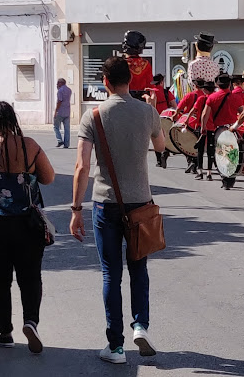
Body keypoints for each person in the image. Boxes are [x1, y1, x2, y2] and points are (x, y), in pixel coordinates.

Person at [70, 57, 165, 364]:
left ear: (105, 82)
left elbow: (82, 166)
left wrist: (75, 209)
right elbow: (162, 147)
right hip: (140, 203)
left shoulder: (92, 116)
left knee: (111, 274)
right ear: (131, 81)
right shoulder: (148, 112)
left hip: (104, 203)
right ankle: (141, 325)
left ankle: (116, 347)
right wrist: (152, 110)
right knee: (139, 267)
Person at [0, 102, 54, 353]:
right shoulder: (28, 144)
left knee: (0, 280)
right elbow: (49, 177)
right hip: (28, 225)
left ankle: (4, 331)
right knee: (30, 277)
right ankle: (30, 321)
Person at [201, 73, 242, 190]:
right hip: (232, 129)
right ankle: (231, 178)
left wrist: (203, 127)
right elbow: (242, 112)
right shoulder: (236, 97)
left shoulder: (212, 97)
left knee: (220, 155)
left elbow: (205, 114)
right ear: (229, 84)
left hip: (219, 129)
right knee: (232, 154)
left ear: (217, 85)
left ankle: (224, 179)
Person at [172, 78, 205, 174]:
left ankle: (190, 162)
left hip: (188, 121)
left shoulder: (190, 95)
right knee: (197, 144)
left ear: (195, 86)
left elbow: (180, 107)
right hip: (199, 122)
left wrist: (175, 116)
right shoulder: (205, 96)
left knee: (185, 142)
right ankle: (195, 163)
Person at [184, 81, 216, 181]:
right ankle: (209, 173)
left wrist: (187, 120)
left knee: (200, 150)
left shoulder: (201, 99)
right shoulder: (215, 99)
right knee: (211, 151)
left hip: (201, 126)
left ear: (205, 90)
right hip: (213, 127)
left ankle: (200, 171)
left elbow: (193, 110)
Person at [148, 74, 177, 169]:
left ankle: (159, 160)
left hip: (154, 117)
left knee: (155, 137)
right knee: (166, 137)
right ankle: (165, 153)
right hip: (165, 118)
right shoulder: (166, 92)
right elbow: (174, 105)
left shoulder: (150, 93)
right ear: (161, 82)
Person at [53, 78, 72, 148]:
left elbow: (59, 101)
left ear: (61, 83)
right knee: (67, 129)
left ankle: (59, 140)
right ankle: (66, 144)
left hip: (60, 111)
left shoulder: (60, 91)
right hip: (67, 111)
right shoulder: (69, 90)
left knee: (56, 126)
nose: (57, 84)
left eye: (58, 83)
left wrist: (56, 111)